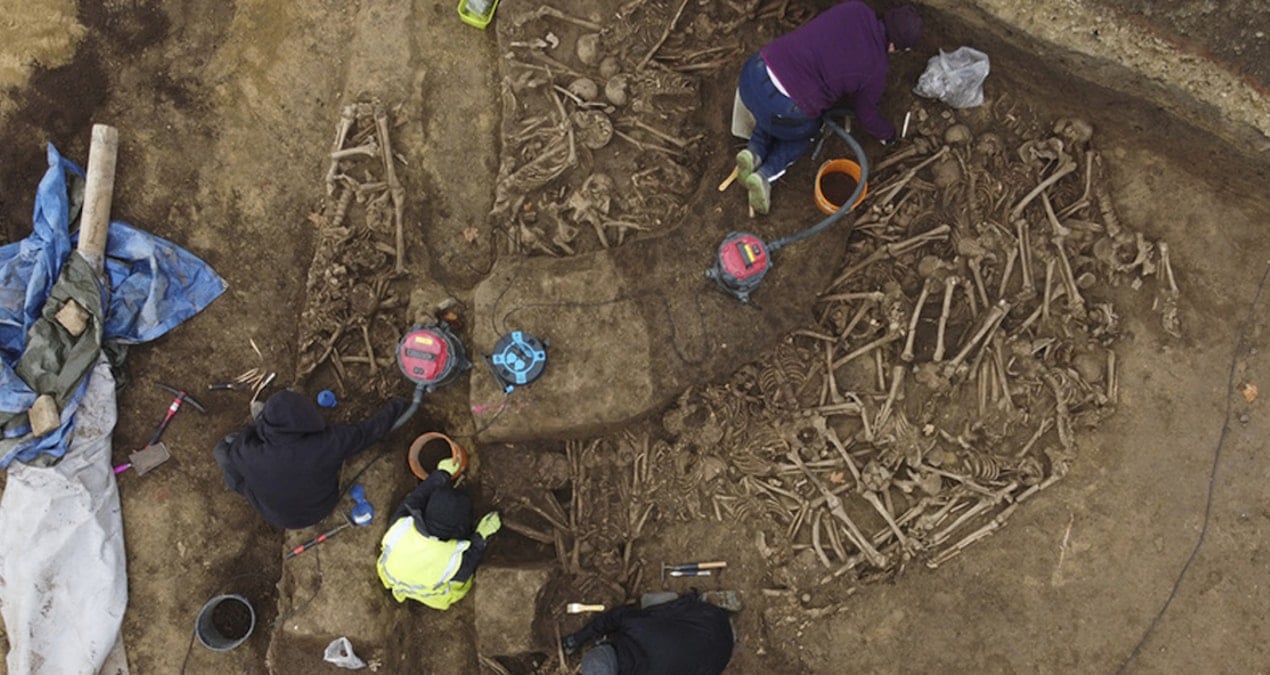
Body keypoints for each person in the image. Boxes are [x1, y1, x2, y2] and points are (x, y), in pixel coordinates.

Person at [732, 1, 923, 214]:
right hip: (784, 108)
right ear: (894, 46)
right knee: (807, 130)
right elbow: (866, 115)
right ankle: (765, 175)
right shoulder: (876, 69)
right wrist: (888, 135)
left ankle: (753, 152)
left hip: (754, 72)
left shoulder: (856, 9)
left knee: (773, 110)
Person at [213, 390, 407, 529]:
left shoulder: (248, 452)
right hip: (320, 507)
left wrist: (258, 428)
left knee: (223, 449)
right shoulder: (328, 444)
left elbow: (236, 444)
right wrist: (399, 405)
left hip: (276, 517)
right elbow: (368, 431)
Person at [376, 458, 501, 610]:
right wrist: (481, 535)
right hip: (431, 594)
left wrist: (441, 474)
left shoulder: (401, 526)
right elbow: (469, 564)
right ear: (458, 528)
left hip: (392, 578)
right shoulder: (452, 559)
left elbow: (415, 498)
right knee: (459, 584)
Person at [561, 593, 735, 675]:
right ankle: (704, 600)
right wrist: (579, 637)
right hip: (713, 620)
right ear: (605, 644)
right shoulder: (635, 625)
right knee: (651, 605)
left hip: (718, 662)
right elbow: (610, 618)